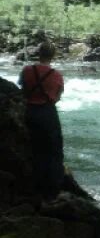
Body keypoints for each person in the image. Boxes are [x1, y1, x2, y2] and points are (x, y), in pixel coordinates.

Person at [18, 41, 65, 199]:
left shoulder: (27, 70)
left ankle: (34, 187)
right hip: (48, 113)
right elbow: (57, 97)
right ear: (53, 56)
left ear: (38, 53)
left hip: (29, 112)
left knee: (35, 150)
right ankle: (52, 191)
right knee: (54, 152)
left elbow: (23, 91)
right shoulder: (57, 75)